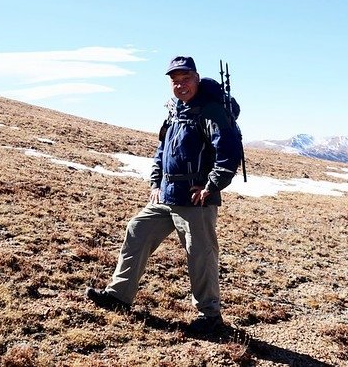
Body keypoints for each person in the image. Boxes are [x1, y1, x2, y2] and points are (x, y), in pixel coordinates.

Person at [86, 56, 243, 334]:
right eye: (175, 81)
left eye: (185, 79)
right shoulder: (175, 111)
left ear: (197, 78)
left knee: (200, 254)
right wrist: (155, 182)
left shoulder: (211, 112)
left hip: (196, 200)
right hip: (167, 195)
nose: (180, 85)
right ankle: (119, 296)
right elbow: (162, 151)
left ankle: (210, 317)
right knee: (137, 228)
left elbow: (228, 154)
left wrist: (210, 185)